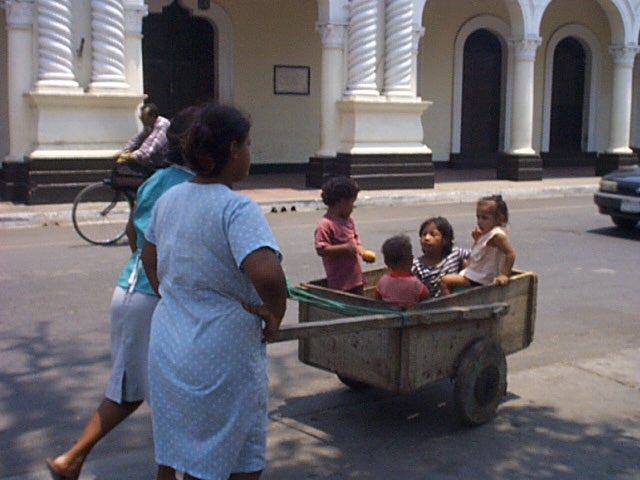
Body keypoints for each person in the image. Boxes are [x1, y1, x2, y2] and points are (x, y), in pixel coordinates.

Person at [46, 106, 199, 480]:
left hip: (130, 289)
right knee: (166, 395)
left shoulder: (157, 179)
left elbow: (134, 234)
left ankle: (73, 460)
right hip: (153, 297)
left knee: (132, 389)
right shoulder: (189, 189)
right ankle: (81, 460)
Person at [140, 103, 287, 480]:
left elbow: (149, 258)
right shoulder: (236, 208)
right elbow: (268, 277)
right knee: (233, 453)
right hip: (221, 350)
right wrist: (275, 315)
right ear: (234, 149)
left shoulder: (168, 200)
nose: (251, 154)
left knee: (178, 449)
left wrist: (177, 299)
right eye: (249, 145)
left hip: (170, 342)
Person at [440, 195, 516, 296]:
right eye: (478, 217)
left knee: (445, 281)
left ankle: (449, 307)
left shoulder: (497, 236)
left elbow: (510, 253)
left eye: (484, 218)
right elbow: (475, 256)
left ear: (499, 219)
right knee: (460, 263)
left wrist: (505, 275)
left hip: (482, 278)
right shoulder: (486, 234)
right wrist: (477, 240)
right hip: (476, 273)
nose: (480, 221)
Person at [314, 176, 376, 294]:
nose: (353, 207)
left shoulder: (349, 221)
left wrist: (362, 252)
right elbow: (321, 249)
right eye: (352, 203)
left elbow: (355, 241)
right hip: (339, 282)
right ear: (342, 202)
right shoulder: (325, 225)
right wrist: (344, 248)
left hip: (356, 278)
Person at [412, 216, 470, 298]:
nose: (426, 238)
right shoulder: (417, 266)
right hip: (430, 306)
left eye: (433, 234)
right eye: (424, 234)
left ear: (445, 239)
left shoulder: (455, 253)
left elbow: (477, 255)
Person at [375, 234, 428, 309]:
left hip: (390, 316)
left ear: (386, 262)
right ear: (411, 260)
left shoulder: (383, 281)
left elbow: (377, 298)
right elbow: (425, 296)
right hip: (412, 317)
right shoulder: (414, 283)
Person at [116, 103, 170, 170]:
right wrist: (123, 151)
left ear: (152, 116)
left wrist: (136, 154)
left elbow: (151, 144)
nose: (142, 120)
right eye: (141, 117)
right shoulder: (149, 125)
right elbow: (137, 139)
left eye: (144, 117)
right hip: (154, 160)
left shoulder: (161, 125)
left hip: (164, 163)